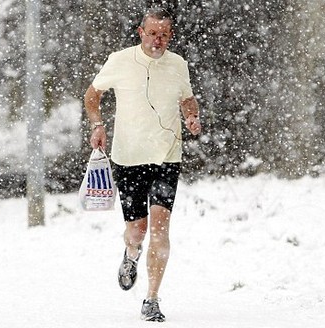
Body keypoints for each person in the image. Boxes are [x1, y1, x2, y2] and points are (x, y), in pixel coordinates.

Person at [83, 7, 201, 322]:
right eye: (153, 33)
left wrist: (191, 114)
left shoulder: (178, 65)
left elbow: (187, 98)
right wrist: (97, 124)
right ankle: (131, 253)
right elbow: (92, 96)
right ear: (141, 32)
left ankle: (152, 298)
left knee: (161, 228)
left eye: (164, 34)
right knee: (138, 230)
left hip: (167, 156)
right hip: (129, 157)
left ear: (170, 36)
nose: (158, 40)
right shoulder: (120, 60)